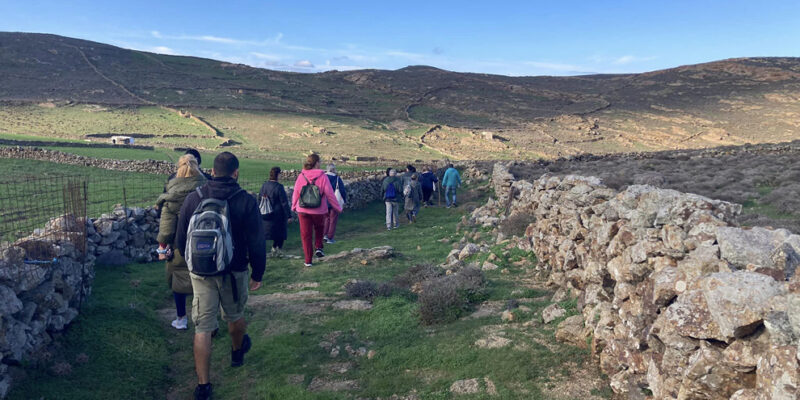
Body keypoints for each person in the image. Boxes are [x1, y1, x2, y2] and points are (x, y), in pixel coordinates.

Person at [175, 152, 266, 400]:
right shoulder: (245, 201)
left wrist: (194, 264)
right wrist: (257, 272)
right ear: (236, 173)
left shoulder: (195, 198)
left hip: (201, 272)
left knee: (203, 327)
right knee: (235, 315)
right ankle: (237, 353)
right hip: (234, 270)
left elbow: (181, 239)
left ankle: (203, 386)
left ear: (212, 172)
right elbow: (257, 241)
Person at [155, 154, 206, 330]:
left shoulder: (171, 195)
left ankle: (181, 319)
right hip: (205, 243)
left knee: (179, 280)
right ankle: (204, 317)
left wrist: (162, 248)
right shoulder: (206, 189)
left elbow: (167, 228)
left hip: (179, 245)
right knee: (204, 280)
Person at [291, 154, 342, 267]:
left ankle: (308, 260)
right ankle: (318, 247)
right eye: (320, 161)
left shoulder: (301, 176)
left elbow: (296, 192)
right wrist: (337, 207)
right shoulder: (322, 177)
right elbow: (330, 194)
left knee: (306, 235)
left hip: (303, 210)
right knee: (319, 229)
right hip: (318, 210)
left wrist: (293, 206)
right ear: (316, 163)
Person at [259, 167, 292, 257]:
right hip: (278, 214)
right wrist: (289, 216)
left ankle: (269, 249)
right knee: (279, 232)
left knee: (266, 232)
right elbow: (284, 203)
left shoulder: (264, 185)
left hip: (266, 213)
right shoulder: (279, 187)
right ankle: (276, 248)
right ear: (278, 175)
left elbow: (259, 198)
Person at [324, 163, 347, 244]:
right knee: (333, 220)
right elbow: (342, 191)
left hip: (324, 202)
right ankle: (330, 238)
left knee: (326, 219)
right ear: (333, 170)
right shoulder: (337, 178)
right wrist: (344, 200)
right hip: (334, 201)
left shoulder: (323, 177)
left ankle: (324, 235)